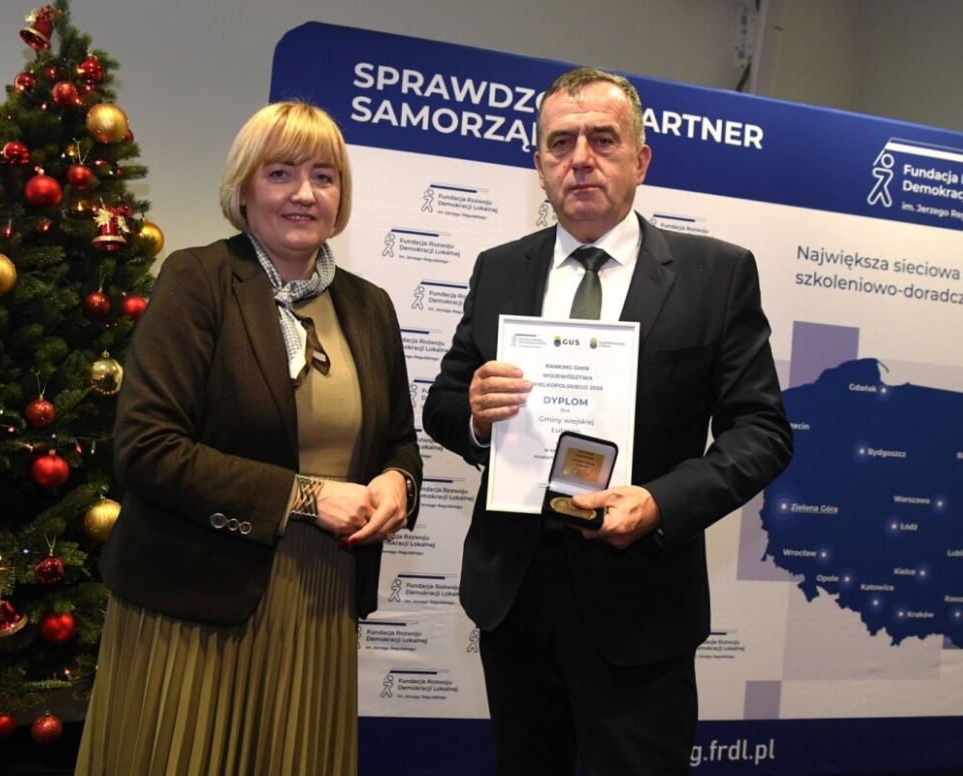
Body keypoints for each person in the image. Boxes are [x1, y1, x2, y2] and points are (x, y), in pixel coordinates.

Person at [422, 67, 793, 775]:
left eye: (603, 139)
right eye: (560, 143)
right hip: (515, 600)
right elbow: (443, 402)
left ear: (640, 160)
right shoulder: (499, 270)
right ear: (539, 165)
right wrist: (475, 416)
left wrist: (659, 502)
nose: (581, 159)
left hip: (641, 605)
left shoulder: (715, 275)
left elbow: (761, 432)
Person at [76, 101, 421, 775]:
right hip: (195, 600)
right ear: (244, 189)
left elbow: (399, 441)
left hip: (321, 597)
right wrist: (306, 496)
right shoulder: (198, 279)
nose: (304, 194)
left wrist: (396, 481)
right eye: (280, 173)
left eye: (324, 176)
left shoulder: (369, 306)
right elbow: (146, 449)